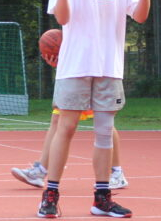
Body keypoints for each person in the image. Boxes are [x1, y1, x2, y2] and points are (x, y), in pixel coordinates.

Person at [37, 0, 150, 219]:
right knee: (66, 127)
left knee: (104, 131)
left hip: (109, 65)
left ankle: (102, 198)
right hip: (75, 64)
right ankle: (50, 194)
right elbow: (62, 18)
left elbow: (140, 16)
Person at [11, 22, 127, 190]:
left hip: (94, 68)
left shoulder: (98, 22)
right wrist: (64, 60)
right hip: (75, 70)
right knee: (58, 119)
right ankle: (41, 170)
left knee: (104, 122)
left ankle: (116, 172)